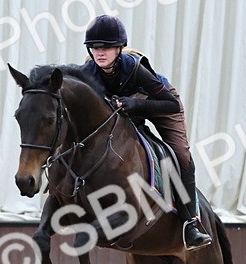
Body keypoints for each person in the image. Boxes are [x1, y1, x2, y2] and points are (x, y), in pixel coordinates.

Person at [80, 15, 212, 251]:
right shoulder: (88, 72)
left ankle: (191, 225)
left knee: (181, 156)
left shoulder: (135, 67)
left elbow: (170, 103)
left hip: (159, 102)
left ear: (119, 48)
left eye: (107, 47)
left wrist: (135, 104)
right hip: (129, 108)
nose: (100, 52)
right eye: (95, 47)